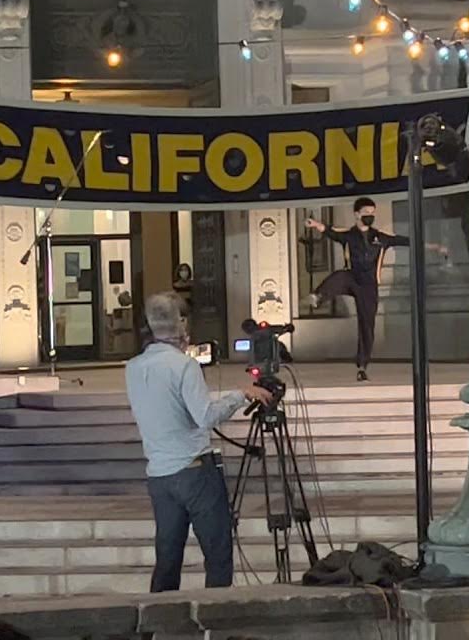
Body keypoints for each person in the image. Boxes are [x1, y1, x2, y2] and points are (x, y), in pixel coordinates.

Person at [125, 291, 272, 593]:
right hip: (194, 472)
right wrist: (240, 394)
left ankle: (159, 627)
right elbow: (205, 417)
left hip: (159, 476)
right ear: (180, 323)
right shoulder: (184, 366)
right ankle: (213, 626)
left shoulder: (133, 367)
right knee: (218, 555)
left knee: (167, 560)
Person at [305, 197, 447, 382]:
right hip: (352, 278)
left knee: (367, 325)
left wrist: (434, 247)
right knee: (340, 276)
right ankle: (318, 296)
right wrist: (316, 224)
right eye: (366, 213)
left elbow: (405, 241)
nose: (370, 217)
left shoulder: (380, 237)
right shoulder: (348, 235)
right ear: (357, 214)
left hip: (369, 285)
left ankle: (362, 366)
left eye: (372, 214)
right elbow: (330, 231)